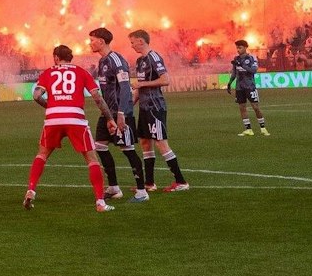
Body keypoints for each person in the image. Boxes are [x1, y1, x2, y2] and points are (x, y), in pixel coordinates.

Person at [24, 45, 116, 212]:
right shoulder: (81, 72)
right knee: (92, 160)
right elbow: (97, 96)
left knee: (42, 154)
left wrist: (50, 107)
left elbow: (36, 95)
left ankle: (31, 190)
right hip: (75, 118)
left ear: (56, 58)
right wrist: (109, 118)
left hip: (53, 119)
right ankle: (100, 203)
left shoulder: (48, 72)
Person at [88, 27, 148, 201]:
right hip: (107, 114)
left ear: (101, 40)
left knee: (127, 149)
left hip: (120, 113)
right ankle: (114, 187)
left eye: (92, 40)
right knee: (99, 146)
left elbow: (124, 88)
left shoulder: (116, 60)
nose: (90, 43)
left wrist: (121, 113)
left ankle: (142, 191)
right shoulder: (102, 62)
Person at [130, 30, 189, 191]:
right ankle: (149, 183)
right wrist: (129, 105)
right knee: (145, 143)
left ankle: (181, 182)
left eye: (133, 42)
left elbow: (165, 80)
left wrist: (141, 85)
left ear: (141, 41)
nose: (131, 45)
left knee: (161, 144)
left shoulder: (154, 57)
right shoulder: (140, 60)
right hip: (144, 108)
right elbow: (139, 87)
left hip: (155, 107)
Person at [228, 40, 269, 136]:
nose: (238, 50)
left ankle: (263, 128)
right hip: (239, 87)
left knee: (255, 107)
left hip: (250, 86)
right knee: (242, 108)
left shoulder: (251, 58)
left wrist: (242, 65)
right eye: (237, 48)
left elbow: (254, 70)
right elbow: (234, 73)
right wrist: (230, 83)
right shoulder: (236, 58)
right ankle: (248, 129)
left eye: (240, 47)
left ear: (245, 47)